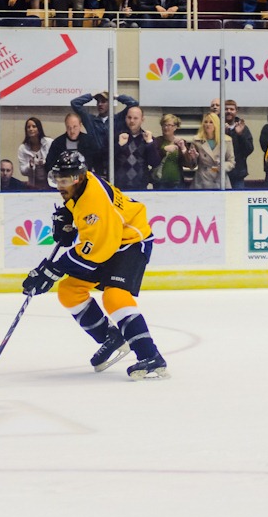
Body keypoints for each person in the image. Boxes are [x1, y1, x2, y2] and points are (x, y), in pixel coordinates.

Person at [21, 150, 169, 380]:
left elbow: (99, 250)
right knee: (69, 291)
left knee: (114, 297)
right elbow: (85, 220)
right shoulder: (81, 186)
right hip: (109, 242)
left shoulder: (94, 203)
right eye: (57, 180)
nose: (61, 185)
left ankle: (150, 356)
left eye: (65, 181)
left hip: (131, 241)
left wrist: (54, 269)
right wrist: (67, 216)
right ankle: (111, 336)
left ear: (78, 178)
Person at [70, 90, 138, 173]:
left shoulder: (117, 119)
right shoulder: (91, 120)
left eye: (103, 101)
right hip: (97, 163)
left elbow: (134, 103)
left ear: (110, 103)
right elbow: (75, 103)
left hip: (116, 162)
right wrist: (91, 95)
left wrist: (116, 97)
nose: (100, 104)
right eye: (98, 101)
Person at [114, 106, 161, 190]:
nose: (132, 121)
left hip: (141, 186)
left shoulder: (148, 138)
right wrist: (119, 146)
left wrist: (150, 143)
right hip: (119, 187)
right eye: (129, 117)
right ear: (125, 118)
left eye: (135, 118)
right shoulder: (116, 136)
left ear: (142, 120)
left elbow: (155, 163)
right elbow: (106, 159)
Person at [185, 112, 235, 189]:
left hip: (220, 178)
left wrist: (222, 167)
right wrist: (193, 157)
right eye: (205, 122)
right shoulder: (196, 140)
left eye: (211, 122)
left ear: (216, 124)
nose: (207, 124)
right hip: (202, 179)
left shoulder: (226, 140)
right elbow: (192, 165)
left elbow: (231, 161)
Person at [152, 113, 191, 189]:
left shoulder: (181, 142)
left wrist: (183, 149)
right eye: (164, 125)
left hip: (177, 182)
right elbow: (153, 161)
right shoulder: (157, 141)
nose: (166, 127)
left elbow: (188, 164)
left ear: (175, 127)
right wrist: (164, 150)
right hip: (160, 182)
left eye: (169, 125)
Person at [223, 99, 254, 188]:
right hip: (219, 173)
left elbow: (249, 149)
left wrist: (240, 135)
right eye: (226, 109)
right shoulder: (216, 127)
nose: (228, 111)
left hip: (237, 174)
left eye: (231, 109)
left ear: (236, 111)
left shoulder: (243, 128)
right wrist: (224, 134)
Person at [17, 117, 52, 189]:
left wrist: (44, 162)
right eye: (28, 127)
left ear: (39, 128)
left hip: (51, 183)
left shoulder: (49, 143)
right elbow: (23, 171)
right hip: (33, 185)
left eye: (34, 126)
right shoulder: (23, 148)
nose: (31, 129)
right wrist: (30, 165)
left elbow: (55, 163)